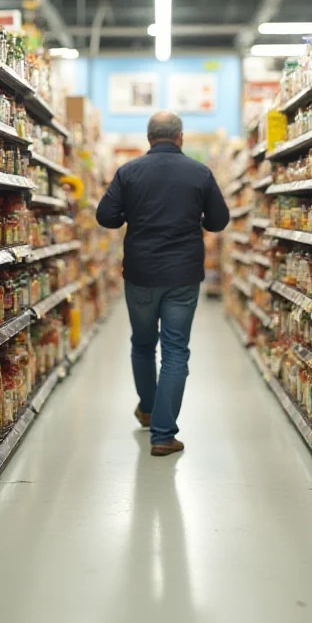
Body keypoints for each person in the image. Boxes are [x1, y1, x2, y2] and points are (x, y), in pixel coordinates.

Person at [96, 111, 230, 456]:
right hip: (182, 275)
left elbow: (106, 217)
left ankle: (147, 408)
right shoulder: (200, 172)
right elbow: (218, 221)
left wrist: (133, 214)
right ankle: (163, 435)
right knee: (175, 350)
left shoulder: (129, 172)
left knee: (142, 344)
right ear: (180, 137)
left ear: (148, 137)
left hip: (140, 273)